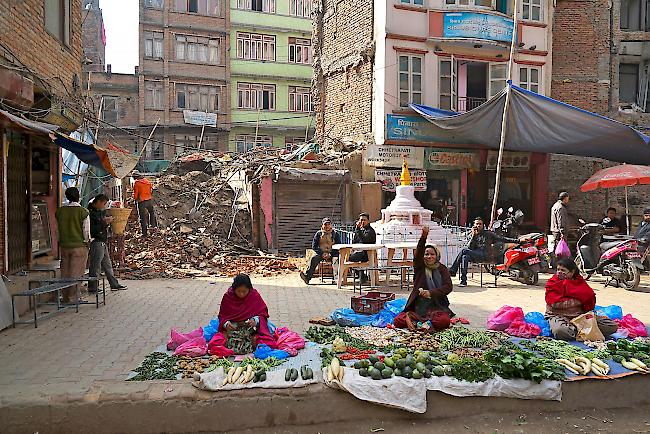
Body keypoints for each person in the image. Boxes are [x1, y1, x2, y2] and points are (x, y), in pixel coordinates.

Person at [394, 226, 454, 332]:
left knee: (443, 321)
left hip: (436, 305)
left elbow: (448, 287)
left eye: (432, 254)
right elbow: (418, 253)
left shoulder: (442, 269)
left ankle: (419, 323)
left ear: (437, 256)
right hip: (418, 305)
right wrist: (423, 237)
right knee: (398, 321)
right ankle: (412, 318)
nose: (429, 257)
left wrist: (431, 293)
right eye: (426, 254)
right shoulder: (420, 266)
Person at [544, 257, 618, 340]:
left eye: (563, 270)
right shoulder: (553, 282)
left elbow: (589, 297)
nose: (559, 272)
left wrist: (576, 302)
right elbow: (555, 304)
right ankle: (584, 331)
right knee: (560, 331)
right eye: (558, 269)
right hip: (559, 316)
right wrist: (579, 300)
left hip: (580, 317)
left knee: (611, 326)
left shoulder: (579, 281)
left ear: (572, 272)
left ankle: (579, 330)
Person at [449, 217, 519, 287]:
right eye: (477, 224)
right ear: (474, 225)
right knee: (465, 257)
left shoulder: (488, 234)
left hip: (486, 255)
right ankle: (463, 281)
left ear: (483, 225)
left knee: (464, 251)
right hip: (476, 255)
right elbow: (470, 247)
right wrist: (474, 235)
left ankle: (453, 270)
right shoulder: (474, 234)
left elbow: (502, 239)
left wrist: (518, 241)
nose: (478, 226)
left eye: (480, 224)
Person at [217, 274, 277, 349]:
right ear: (233, 288)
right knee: (221, 341)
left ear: (249, 289)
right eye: (238, 291)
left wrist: (255, 320)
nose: (241, 294)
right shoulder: (228, 297)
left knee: (259, 342)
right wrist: (226, 324)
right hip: (233, 328)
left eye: (244, 291)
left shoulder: (254, 295)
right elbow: (222, 316)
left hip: (250, 327)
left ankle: (252, 339)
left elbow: (263, 313)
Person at [55, 187, 90, 304]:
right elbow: (86, 231)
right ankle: (73, 297)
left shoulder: (60, 211)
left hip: (64, 246)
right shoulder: (83, 212)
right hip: (79, 246)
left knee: (65, 271)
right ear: (78, 196)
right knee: (77, 272)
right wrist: (87, 242)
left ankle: (65, 297)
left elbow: (57, 230)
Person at [88, 194, 128, 292]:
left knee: (107, 265)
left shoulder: (99, 212)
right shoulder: (90, 213)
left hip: (102, 241)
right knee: (95, 265)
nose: (104, 206)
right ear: (98, 202)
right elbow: (92, 229)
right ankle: (93, 287)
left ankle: (114, 284)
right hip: (96, 241)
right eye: (104, 203)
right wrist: (104, 222)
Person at [300, 217, 341, 284]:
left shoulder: (335, 234)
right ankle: (307, 277)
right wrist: (322, 253)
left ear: (331, 225)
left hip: (332, 254)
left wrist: (330, 254)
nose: (327, 226)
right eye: (325, 224)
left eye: (328, 224)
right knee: (314, 258)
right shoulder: (318, 234)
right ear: (322, 225)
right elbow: (314, 246)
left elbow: (338, 246)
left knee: (336, 260)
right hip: (321, 253)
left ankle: (336, 279)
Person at [350, 213, 377, 282]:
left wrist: (358, 230)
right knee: (346, 257)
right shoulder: (359, 230)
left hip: (366, 253)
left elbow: (365, 240)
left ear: (368, 221)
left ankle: (361, 275)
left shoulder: (370, 231)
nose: (362, 222)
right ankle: (361, 275)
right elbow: (354, 241)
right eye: (361, 220)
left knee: (351, 258)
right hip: (358, 251)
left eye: (364, 220)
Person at [132, 170, 157, 237]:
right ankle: (153, 226)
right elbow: (151, 190)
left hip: (142, 202)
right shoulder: (147, 181)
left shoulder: (137, 183)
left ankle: (144, 233)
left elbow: (136, 194)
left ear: (135, 177)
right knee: (152, 213)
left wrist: (134, 200)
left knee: (142, 218)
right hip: (149, 200)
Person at [550, 191, 570, 260]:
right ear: (564, 198)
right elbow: (561, 220)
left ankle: (555, 262)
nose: (568, 200)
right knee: (561, 249)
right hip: (559, 231)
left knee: (557, 248)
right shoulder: (560, 207)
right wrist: (562, 232)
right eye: (567, 198)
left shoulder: (555, 205)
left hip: (555, 230)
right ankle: (560, 262)